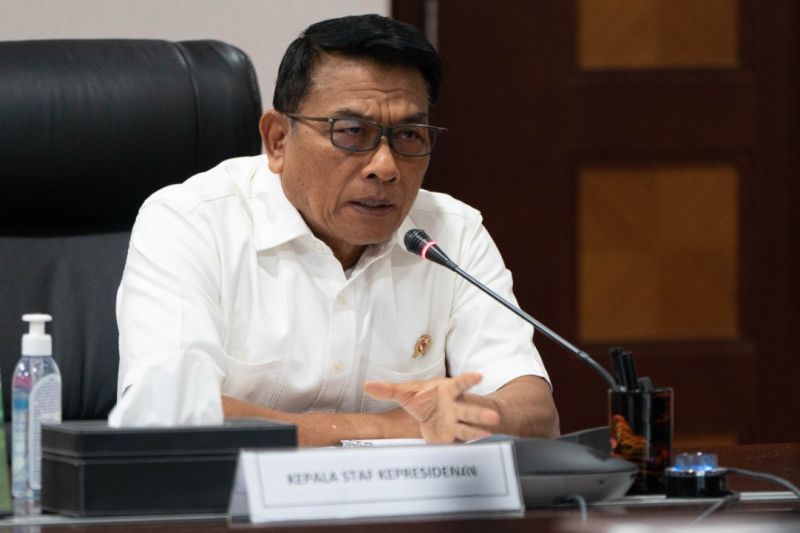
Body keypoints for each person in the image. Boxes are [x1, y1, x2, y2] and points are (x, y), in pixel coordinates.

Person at [115, 14, 559, 445]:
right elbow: (171, 416)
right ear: (278, 140)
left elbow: (535, 414)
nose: (385, 167)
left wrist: (479, 413)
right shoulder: (192, 222)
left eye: (409, 135)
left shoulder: (451, 233)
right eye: (351, 131)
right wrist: (391, 428)